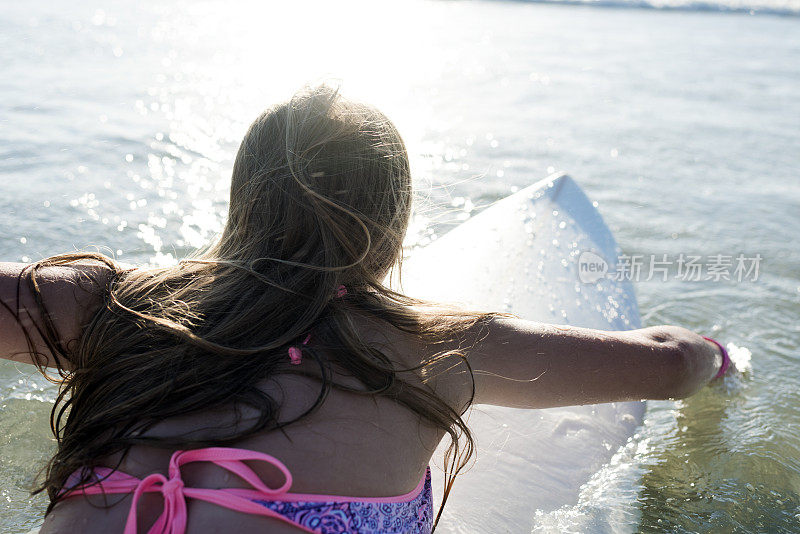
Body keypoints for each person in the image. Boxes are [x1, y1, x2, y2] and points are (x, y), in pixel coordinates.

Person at [0, 85, 730, 534]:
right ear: (392, 219)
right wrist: (713, 355)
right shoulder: (435, 348)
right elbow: (666, 367)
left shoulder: (117, 305)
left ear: (244, 197)